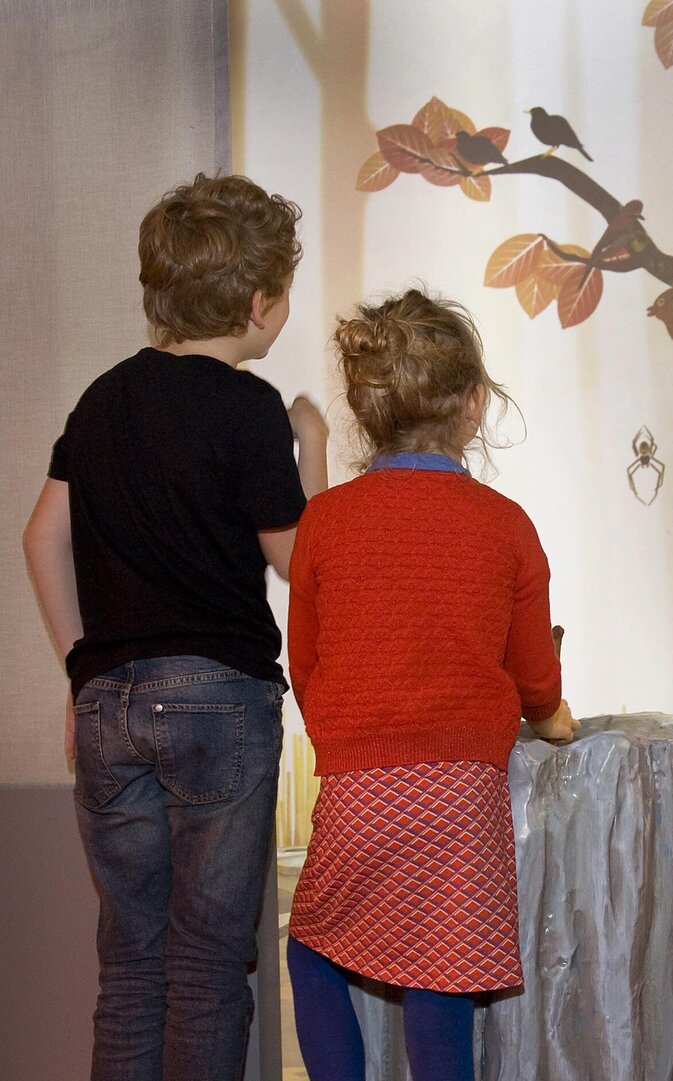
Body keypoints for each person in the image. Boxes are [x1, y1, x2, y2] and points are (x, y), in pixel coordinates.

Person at [21, 172, 328, 1081]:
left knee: (131, 963)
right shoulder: (249, 408)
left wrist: (83, 671)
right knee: (205, 966)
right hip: (219, 700)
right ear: (260, 303)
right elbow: (296, 559)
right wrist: (311, 443)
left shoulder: (103, 398)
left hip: (111, 704)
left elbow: (42, 535)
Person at [284, 288, 577, 1081]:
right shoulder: (505, 522)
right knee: (439, 976)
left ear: (367, 407)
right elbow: (532, 674)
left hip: (359, 786)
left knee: (312, 951)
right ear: (474, 403)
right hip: (462, 792)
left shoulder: (326, 520)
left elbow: (304, 661)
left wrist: (346, 733)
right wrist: (550, 716)